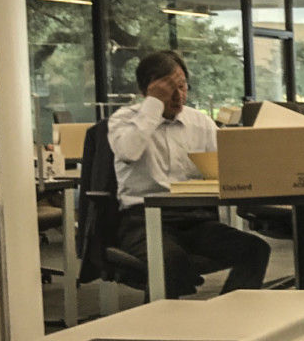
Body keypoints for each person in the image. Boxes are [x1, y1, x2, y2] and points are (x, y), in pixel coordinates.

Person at [107, 51, 269, 297]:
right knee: (171, 260)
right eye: (168, 89)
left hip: (194, 219)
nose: (178, 95)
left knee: (255, 249)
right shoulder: (124, 120)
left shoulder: (200, 122)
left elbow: (230, 164)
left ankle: (231, 313)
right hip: (143, 220)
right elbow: (128, 152)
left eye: (182, 86)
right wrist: (153, 106)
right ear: (145, 91)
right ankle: (160, 320)